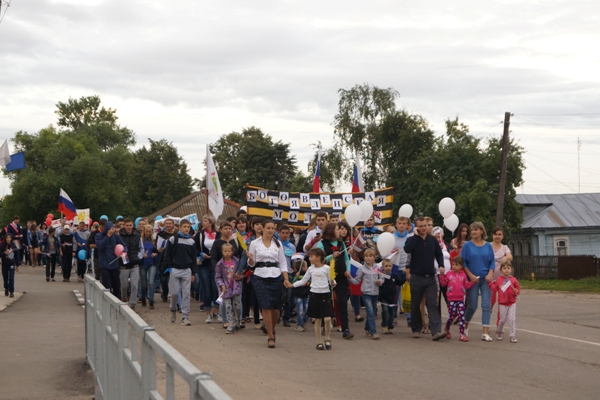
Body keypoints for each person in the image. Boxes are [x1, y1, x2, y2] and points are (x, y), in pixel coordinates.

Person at [246, 220, 290, 348]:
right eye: (268, 228)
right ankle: (270, 336)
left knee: (276, 308)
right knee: (265, 305)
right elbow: (252, 264)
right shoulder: (254, 243)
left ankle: (272, 327)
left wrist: (285, 278)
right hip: (260, 275)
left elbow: (282, 262)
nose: (271, 230)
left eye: (273, 228)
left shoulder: (278, 243)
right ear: (263, 229)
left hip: (275, 275)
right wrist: (250, 258)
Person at [404, 216, 446, 341]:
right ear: (416, 227)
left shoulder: (432, 240)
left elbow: (438, 253)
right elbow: (407, 249)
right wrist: (415, 236)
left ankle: (436, 331)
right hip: (416, 277)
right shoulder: (412, 239)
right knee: (416, 303)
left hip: (430, 278)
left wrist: (441, 265)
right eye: (420, 226)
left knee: (432, 303)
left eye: (425, 225)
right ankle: (416, 328)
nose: (423, 228)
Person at [314, 222, 354, 339]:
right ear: (331, 231)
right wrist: (331, 256)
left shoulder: (341, 244)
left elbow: (347, 259)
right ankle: (324, 325)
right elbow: (320, 260)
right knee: (326, 301)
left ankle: (345, 328)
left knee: (342, 301)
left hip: (341, 276)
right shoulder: (322, 244)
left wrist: (348, 269)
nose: (339, 231)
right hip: (327, 277)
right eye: (337, 229)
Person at [290, 248, 335, 350]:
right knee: (317, 319)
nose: (309, 258)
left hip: (325, 294)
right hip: (314, 294)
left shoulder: (327, 268)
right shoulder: (310, 269)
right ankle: (319, 341)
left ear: (318, 258)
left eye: (311, 256)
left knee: (327, 319)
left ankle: (327, 338)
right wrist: (293, 285)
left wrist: (333, 282)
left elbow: (332, 281)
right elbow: (303, 281)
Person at [461, 221, 495, 341]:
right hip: (472, 280)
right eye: (472, 230)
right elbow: (463, 263)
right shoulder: (467, 246)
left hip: (485, 279)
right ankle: (464, 327)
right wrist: (470, 276)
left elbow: (492, 262)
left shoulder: (488, 246)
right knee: (472, 306)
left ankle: (485, 332)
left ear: (481, 231)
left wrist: (490, 273)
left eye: (476, 230)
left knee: (486, 305)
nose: (473, 232)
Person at [348, 249, 383, 340]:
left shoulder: (378, 268)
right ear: (364, 257)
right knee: (370, 311)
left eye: (370, 256)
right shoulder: (362, 268)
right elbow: (356, 281)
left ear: (374, 258)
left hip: (375, 293)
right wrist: (349, 278)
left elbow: (383, 278)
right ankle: (373, 332)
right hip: (366, 293)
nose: (368, 258)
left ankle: (367, 327)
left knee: (372, 312)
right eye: (366, 256)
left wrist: (380, 281)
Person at [439, 256, 476, 342]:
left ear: (461, 266)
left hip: (460, 299)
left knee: (461, 316)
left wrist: (473, 282)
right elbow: (443, 284)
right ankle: (447, 328)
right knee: (451, 315)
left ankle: (462, 334)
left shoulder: (463, 275)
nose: (454, 266)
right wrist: (441, 276)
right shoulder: (448, 274)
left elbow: (466, 285)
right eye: (453, 264)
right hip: (451, 299)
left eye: (457, 265)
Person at [211, 220, 239, 328]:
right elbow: (213, 258)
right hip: (222, 273)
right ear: (221, 230)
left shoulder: (235, 241)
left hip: (234, 273)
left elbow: (240, 255)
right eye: (226, 229)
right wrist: (217, 270)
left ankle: (237, 319)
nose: (228, 231)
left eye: (230, 229)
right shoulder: (217, 242)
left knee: (237, 297)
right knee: (224, 296)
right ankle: (225, 320)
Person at [239, 217, 263, 329]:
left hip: (265, 270)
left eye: (261, 224)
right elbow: (245, 256)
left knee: (258, 296)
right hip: (251, 270)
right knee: (247, 294)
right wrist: (240, 270)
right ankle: (244, 315)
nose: (259, 226)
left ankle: (258, 319)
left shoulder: (270, 240)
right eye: (256, 224)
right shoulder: (249, 240)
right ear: (252, 227)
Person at [195, 214, 220, 322]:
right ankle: (208, 313)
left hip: (216, 264)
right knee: (207, 289)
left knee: (216, 288)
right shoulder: (200, 234)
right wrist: (201, 253)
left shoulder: (218, 234)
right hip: (204, 264)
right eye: (202, 220)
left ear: (211, 222)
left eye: (205, 221)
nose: (203, 223)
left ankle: (217, 311)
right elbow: (194, 248)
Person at [489, 260, 520, 343]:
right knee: (502, 320)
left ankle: (512, 335)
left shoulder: (513, 280)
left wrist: (517, 291)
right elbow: (494, 288)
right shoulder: (499, 279)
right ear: (501, 270)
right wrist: (489, 283)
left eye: (508, 268)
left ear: (511, 269)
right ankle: (499, 331)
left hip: (512, 302)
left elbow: (517, 288)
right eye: (504, 268)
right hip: (502, 303)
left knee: (512, 319)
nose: (506, 270)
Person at [215, 243, 243, 334]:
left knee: (237, 307)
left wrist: (240, 277)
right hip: (226, 289)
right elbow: (218, 277)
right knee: (228, 306)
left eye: (229, 251)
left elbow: (241, 272)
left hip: (236, 287)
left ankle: (238, 321)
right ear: (222, 252)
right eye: (225, 251)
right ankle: (230, 325)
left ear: (232, 252)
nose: (227, 253)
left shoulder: (237, 261)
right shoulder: (220, 264)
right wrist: (221, 285)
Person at [490, 227, 513, 328]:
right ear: (492, 235)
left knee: (502, 302)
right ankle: (486, 323)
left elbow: (510, 257)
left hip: (502, 280)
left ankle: (499, 324)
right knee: (490, 302)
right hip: (490, 279)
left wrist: (505, 257)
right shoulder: (488, 246)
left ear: (502, 236)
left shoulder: (505, 247)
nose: (497, 236)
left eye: (499, 234)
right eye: (495, 234)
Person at [97, 221, 126, 299]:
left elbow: (123, 245)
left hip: (114, 264)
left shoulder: (116, 236)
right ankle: (106, 301)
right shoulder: (99, 236)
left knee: (116, 285)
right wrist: (107, 236)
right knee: (107, 286)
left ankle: (117, 300)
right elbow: (100, 246)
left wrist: (124, 251)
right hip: (104, 264)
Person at [119, 218, 144, 309]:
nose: (129, 227)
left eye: (130, 225)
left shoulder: (137, 235)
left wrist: (139, 257)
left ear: (133, 225)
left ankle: (133, 303)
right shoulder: (120, 236)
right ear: (124, 226)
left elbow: (141, 248)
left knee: (134, 285)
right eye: (127, 225)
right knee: (124, 285)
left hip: (135, 264)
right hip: (124, 265)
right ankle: (124, 298)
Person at [378, 258, 406, 334]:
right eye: (386, 266)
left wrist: (405, 277)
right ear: (383, 267)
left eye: (390, 266)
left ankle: (390, 326)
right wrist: (378, 297)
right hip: (384, 297)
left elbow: (399, 282)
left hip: (392, 297)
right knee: (385, 311)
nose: (388, 267)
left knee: (392, 313)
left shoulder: (394, 275)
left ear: (392, 266)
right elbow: (379, 286)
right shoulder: (381, 276)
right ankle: (384, 326)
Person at [278, 224, 296, 328]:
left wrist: (295, 269)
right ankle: (277, 315)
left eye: (287, 233)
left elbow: (293, 260)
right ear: (279, 233)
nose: (285, 235)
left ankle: (287, 317)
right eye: (283, 233)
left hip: (288, 273)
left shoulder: (292, 246)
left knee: (288, 296)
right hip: (277, 272)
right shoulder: (275, 244)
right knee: (278, 295)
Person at [157, 218, 178, 302]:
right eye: (167, 223)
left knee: (172, 279)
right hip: (162, 258)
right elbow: (157, 246)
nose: (168, 225)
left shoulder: (176, 235)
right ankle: (164, 293)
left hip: (173, 258)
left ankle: (171, 295)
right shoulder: (161, 234)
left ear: (173, 224)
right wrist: (159, 249)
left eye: (170, 223)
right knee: (164, 279)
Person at [140, 225, 158, 309]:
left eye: (149, 231)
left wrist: (155, 254)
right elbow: (137, 250)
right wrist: (141, 255)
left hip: (152, 263)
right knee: (144, 283)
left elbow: (157, 251)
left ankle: (151, 300)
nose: (148, 233)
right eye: (146, 231)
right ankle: (143, 298)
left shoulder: (153, 240)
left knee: (151, 282)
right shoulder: (141, 240)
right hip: (143, 263)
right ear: (144, 232)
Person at [291, 257, 310, 332]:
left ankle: (303, 322)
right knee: (300, 311)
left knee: (307, 310)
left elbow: (311, 281)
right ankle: (299, 324)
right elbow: (293, 283)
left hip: (306, 295)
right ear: (302, 268)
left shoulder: (308, 274)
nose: (307, 267)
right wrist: (296, 277)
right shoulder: (296, 275)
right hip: (298, 295)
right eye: (306, 266)